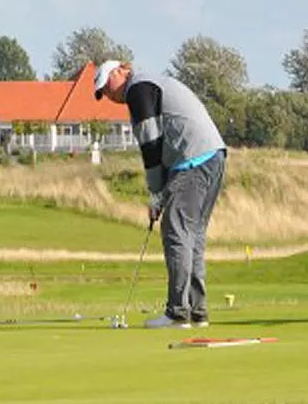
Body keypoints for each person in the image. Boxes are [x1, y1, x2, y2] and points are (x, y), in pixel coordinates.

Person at [93, 59, 227, 328]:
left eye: (107, 85)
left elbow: (151, 144)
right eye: (103, 93)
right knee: (193, 236)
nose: (109, 95)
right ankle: (196, 312)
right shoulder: (148, 84)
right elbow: (161, 146)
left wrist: (156, 193)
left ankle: (178, 313)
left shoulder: (138, 89)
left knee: (176, 231)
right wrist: (162, 192)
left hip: (194, 158)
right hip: (211, 155)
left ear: (121, 70)